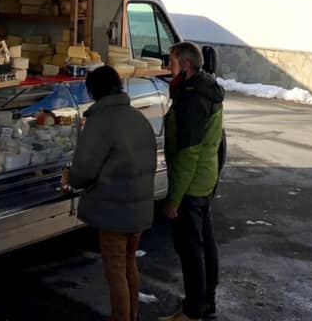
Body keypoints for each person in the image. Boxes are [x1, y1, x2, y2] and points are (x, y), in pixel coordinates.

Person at [67, 66, 158, 321]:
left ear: (93, 91)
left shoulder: (100, 122)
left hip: (113, 210)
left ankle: (121, 317)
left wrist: (72, 180)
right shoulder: (137, 117)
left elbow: (84, 170)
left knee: (115, 269)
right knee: (129, 262)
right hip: (138, 207)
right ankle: (132, 314)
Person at [160, 42, 225, 321]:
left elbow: (188, 153)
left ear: (185, 65)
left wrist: (174, 199)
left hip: (193, 182)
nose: (168, 66)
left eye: (172, 61)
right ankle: (206, 301)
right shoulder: (206, 87)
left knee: (190, 248)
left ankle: (192, 310)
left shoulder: (191, 98)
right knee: (205, 243)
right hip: (206, 177)